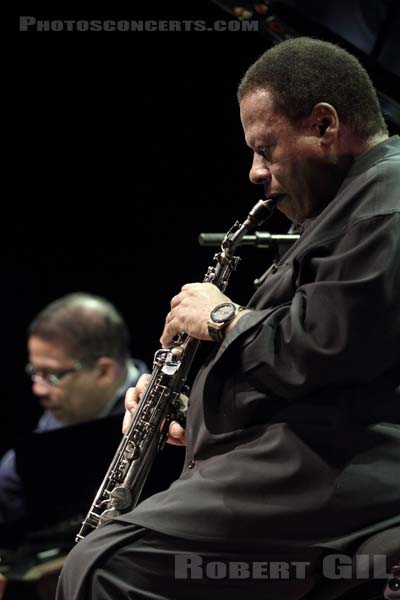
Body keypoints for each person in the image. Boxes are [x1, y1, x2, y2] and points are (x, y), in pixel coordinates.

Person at [56, 37, 400, 599]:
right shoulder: (346, 205)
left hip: (342, 463)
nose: (255, 172)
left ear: (324, 125)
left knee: (104, 565)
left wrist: (221, 317)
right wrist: (194, 411)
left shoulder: (388, 201)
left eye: (265, 149)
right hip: (310, 452)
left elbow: (323, 351)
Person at [0, 292, 149, 528]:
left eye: (53, 375)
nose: (38, 389)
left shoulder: (164, 415)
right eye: (35, 373)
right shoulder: (63, 411)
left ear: (104, 372)